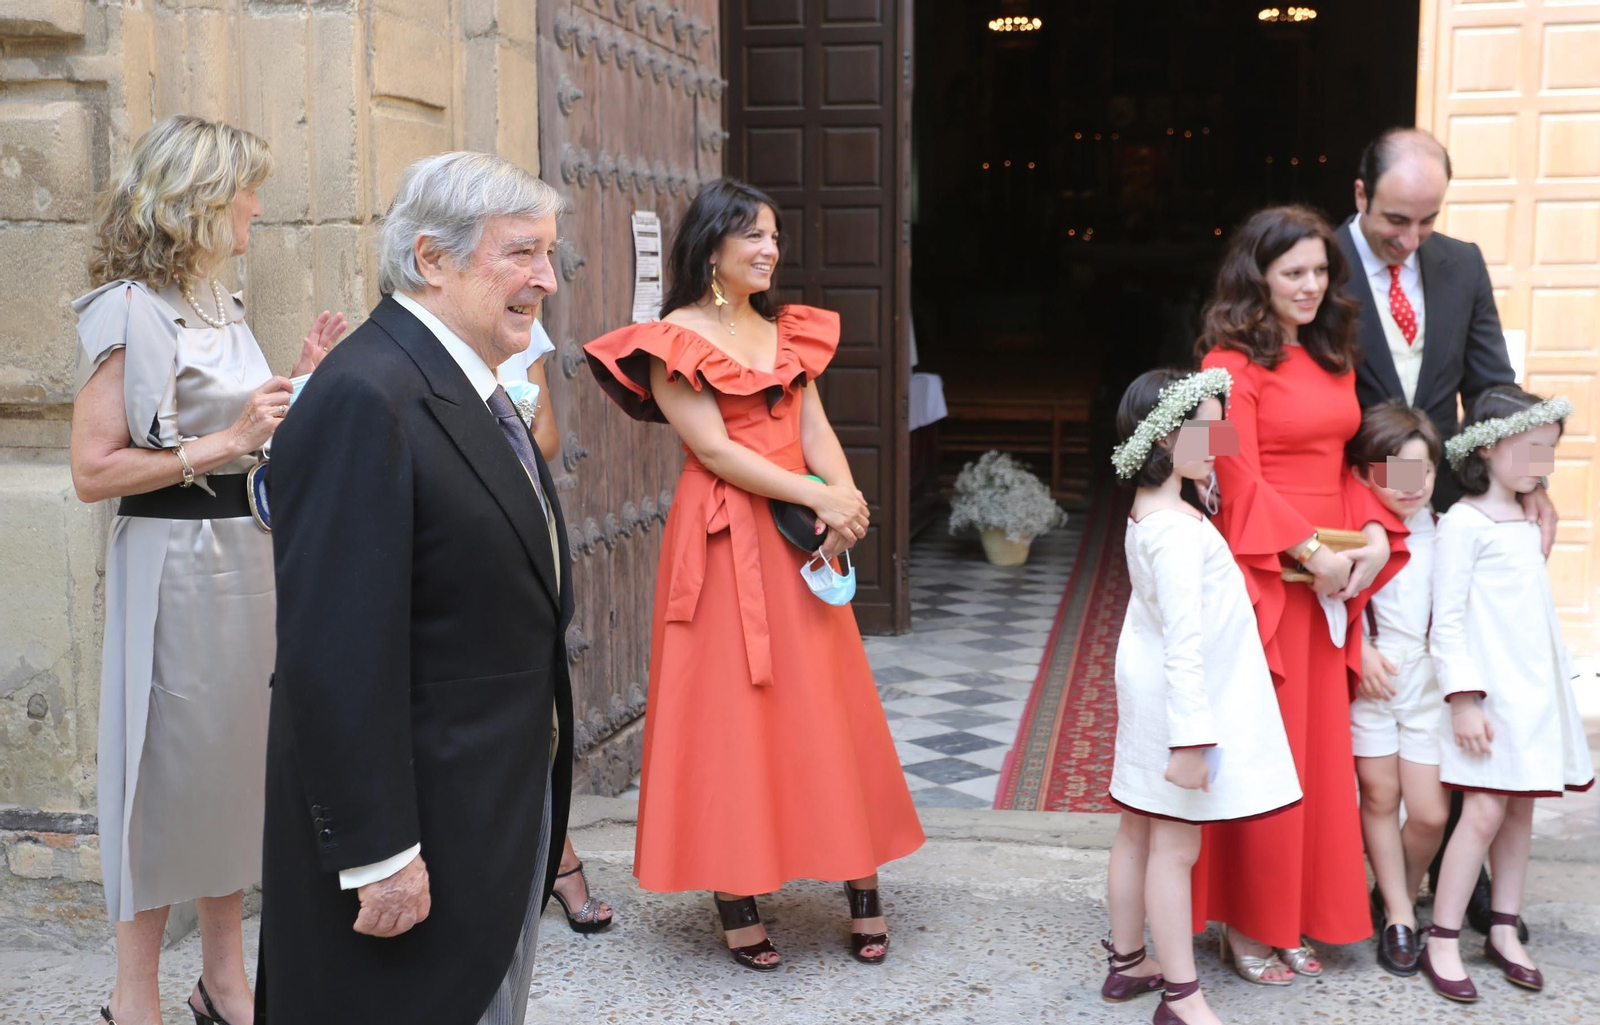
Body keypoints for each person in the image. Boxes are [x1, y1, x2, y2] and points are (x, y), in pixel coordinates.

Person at [257, 152, 572, 1025]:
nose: (546, 279)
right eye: (522, 252)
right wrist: (380, 852)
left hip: (489, 800)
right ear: (432, 258)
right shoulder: (366, 393)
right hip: (420, 825)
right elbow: (334, 649)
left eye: (549, 253)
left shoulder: (462, 380)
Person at [584, 178, 924, 970]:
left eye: (775, 236)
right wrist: (817, 496)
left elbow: (816, 428)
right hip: (723, 538)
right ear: (712, 247)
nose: (771, 249)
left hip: (800, 533)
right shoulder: (672, 337)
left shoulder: (785, 331)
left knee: (827, 702)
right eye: (755, 236)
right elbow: (715, 450)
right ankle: (735, 890)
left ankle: (860, 876)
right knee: (731, 713)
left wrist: (845, 504)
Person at [70, 114, 346, 1025]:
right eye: (246, 191)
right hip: (173, 566)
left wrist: (297, 384)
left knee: (234, 774)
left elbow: (240, 434)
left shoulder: (218, 298)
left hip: (246, 558)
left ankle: (224, 982)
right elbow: (92, 469)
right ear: (201, 199)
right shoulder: (131, 310)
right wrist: (229, 439)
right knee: (160, 779)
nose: (259, 207)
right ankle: (132, 998)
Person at [1337, 125, 1560, 938]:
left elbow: (1493, 385)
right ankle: (1344, 878)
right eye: (1396, 220)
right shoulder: (1319, 265)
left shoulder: (1461, 263)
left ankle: (1456, 868)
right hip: (1352, 502)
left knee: (1463, 666)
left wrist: (1532, 481)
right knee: (1366, 702)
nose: (1412, 239)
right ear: (1360, 194)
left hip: (1445, 500)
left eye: (1428, 220)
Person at [1191, 205, 1409, 985]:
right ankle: (1247, 919)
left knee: (1316, 757)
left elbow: (1346, 462)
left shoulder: (1335, 353)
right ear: (1257, 276)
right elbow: (1226, 472)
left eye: (1320, 270)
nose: (1311, 285)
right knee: (1262, 751)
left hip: (1332, 584)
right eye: (1294, 272)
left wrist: (1376, 530)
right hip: (1265, 578)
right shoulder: (1223, 363)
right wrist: (1307, 549)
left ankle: (1293, 915)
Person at [1104, 367, 1302, 1025]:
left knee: (1137, 829)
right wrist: (1191, 739)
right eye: (1207, 428)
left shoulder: (1152, 510)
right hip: (1178, 705)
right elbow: (1186, 642)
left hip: (1150, 690)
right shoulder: (1177, 531)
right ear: (1165, 437)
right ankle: (1182, 997)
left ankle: (1129, 961)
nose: (1220, 441)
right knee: (1175, 849)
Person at [1420, 386, 1595, 1004]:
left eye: (1550, 451)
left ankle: (1502, 928)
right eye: (1531, 449)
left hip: (1533, 695)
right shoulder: (1463, 524)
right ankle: (1443, 938)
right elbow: (1447, 623)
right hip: (1488, 700)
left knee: (1521, 810)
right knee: (1484, 812)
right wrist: (1463, 699)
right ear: (1486, 447)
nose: (1542, 464)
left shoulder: (1529, 519)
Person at [497, 324, 614, 933]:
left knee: (534, 698)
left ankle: (559, 859)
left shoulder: (522, 328)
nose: (537, 281)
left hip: (517, 521)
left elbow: (546, 436)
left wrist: (490, 436)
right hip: (449, 528)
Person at [1346, 402, 1450, 977]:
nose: (1411, 486)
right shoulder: (1358, 533)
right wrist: (1358, 649)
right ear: (1365, 474)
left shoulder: (1449, 531)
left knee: (1430, 813)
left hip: (1430, 684)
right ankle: (1402, 918)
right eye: (1395, 473)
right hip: (1375, 681)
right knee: (1380, 796)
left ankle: (1395, 897)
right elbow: (1333, 603)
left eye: (1423, 471)